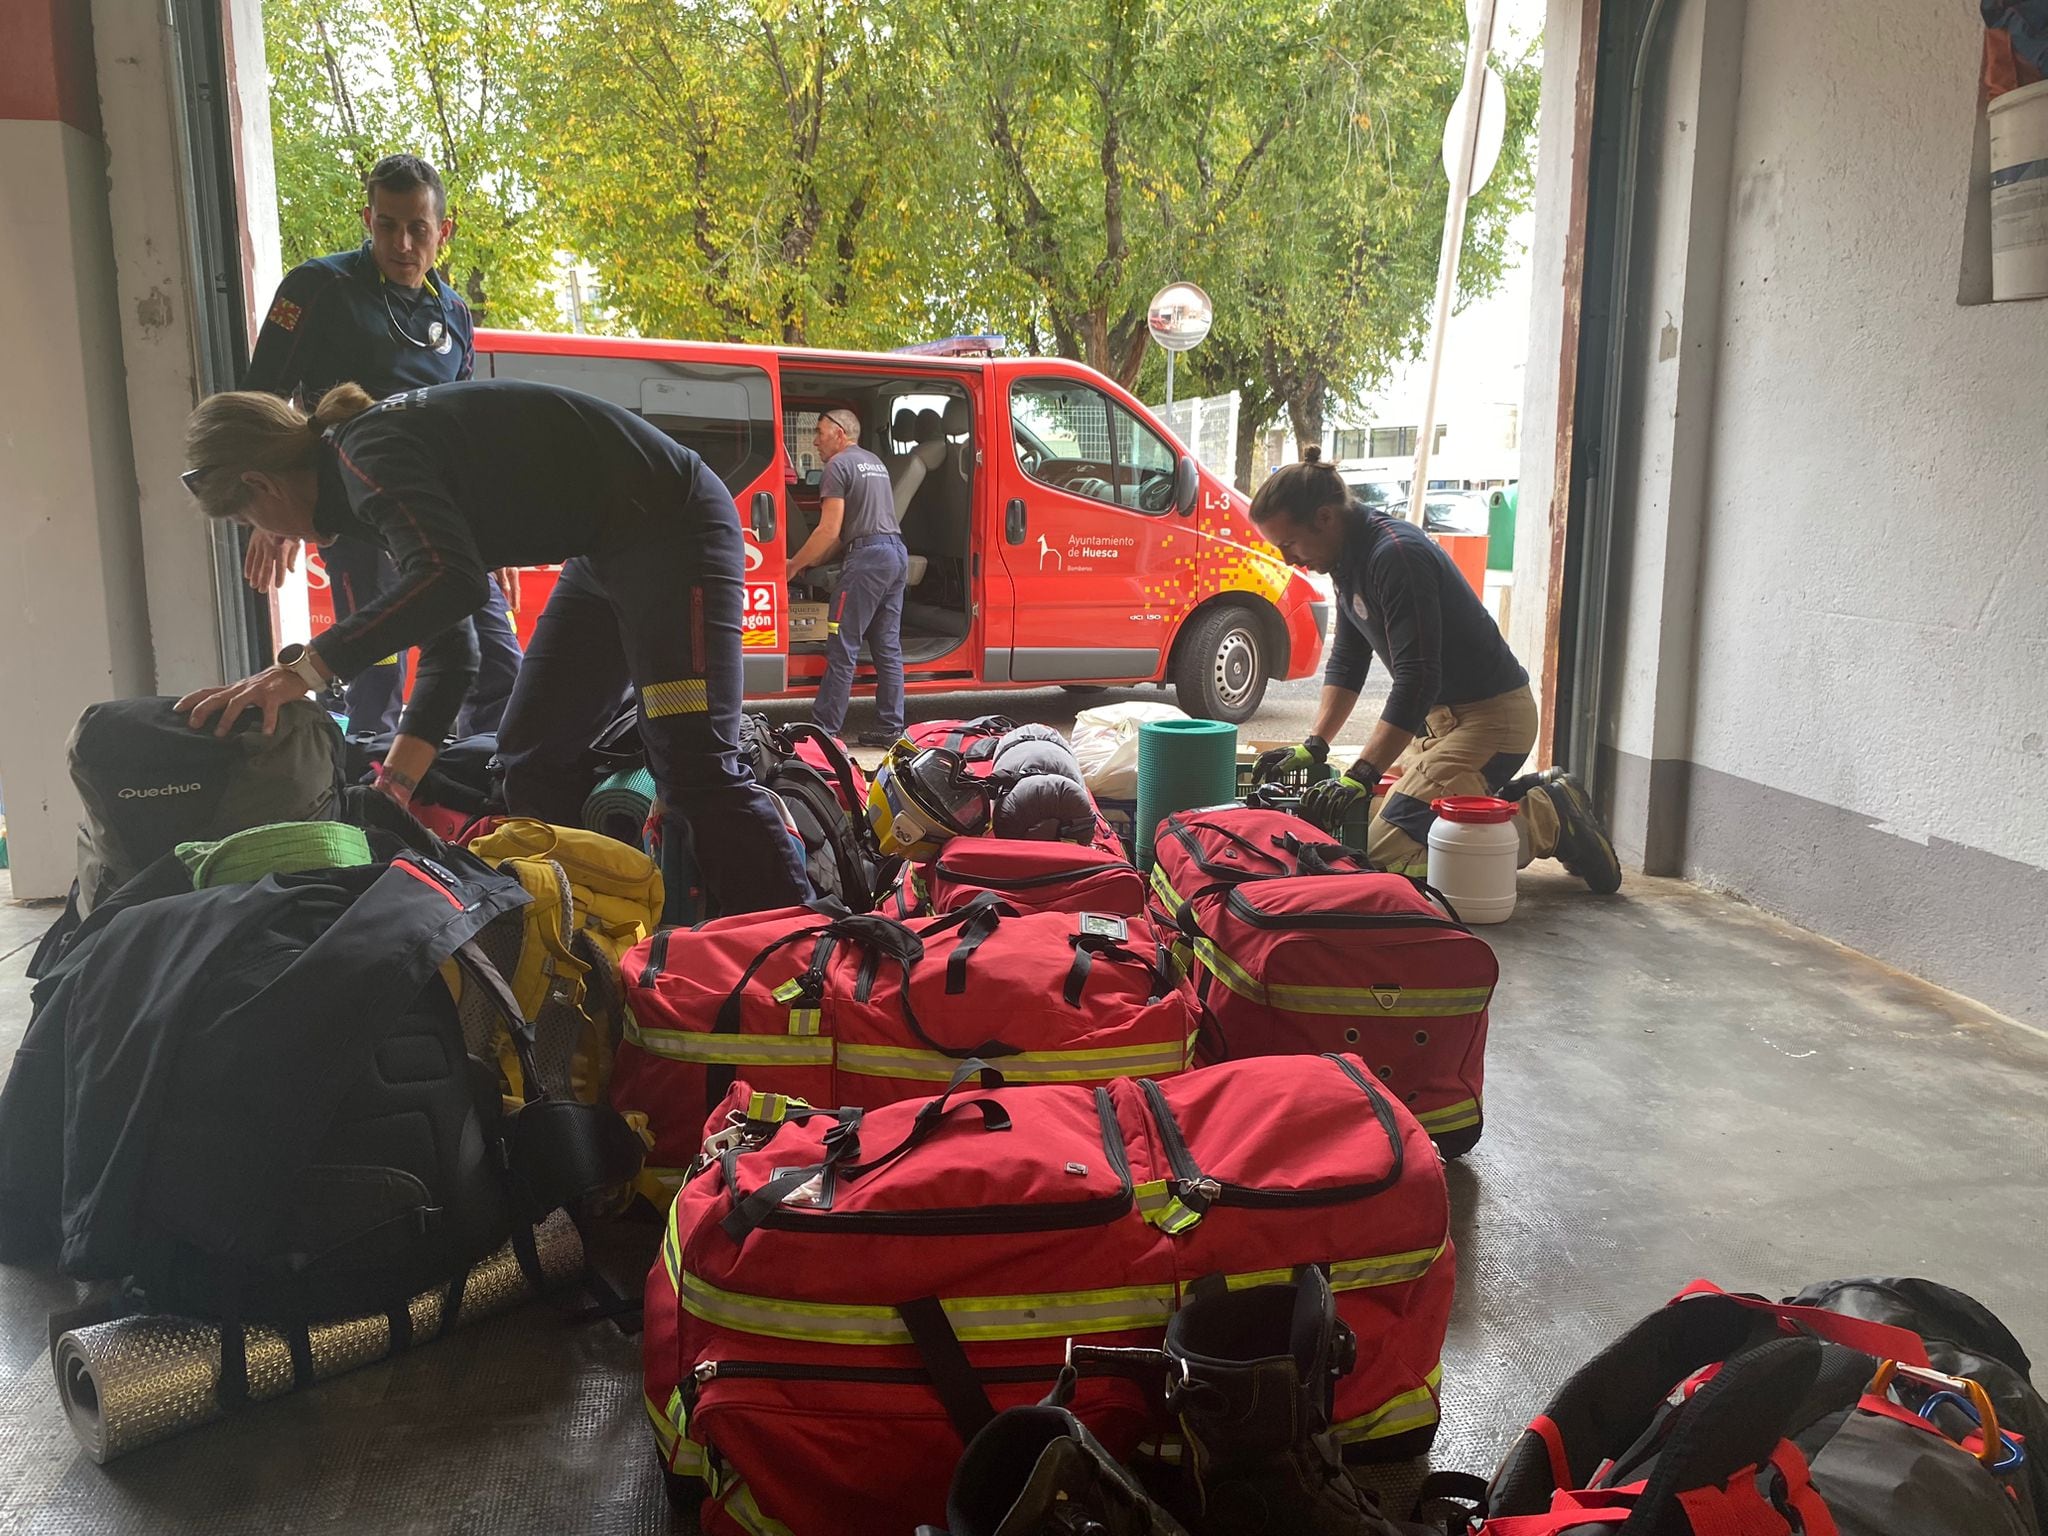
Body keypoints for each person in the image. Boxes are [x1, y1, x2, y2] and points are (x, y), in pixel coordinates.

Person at [174, 379, 812, 918]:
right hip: (605, 548)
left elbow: (447, 582)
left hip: (671, 527)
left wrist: (304, 670)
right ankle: (594, 926)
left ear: (261, 485)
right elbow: (454, 651)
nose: (263, 534)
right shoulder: (364, 478)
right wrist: (393, 786)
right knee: (531, 759)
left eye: (247, 521)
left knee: (696, 772)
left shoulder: (368, 457)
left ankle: (811, 951)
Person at [1248, 448, 1621, 892]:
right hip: (1439, 725)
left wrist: (1363, 771)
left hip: (1491, 720)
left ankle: (1551, 816)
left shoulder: (1395, 556)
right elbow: (1348, 662)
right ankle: (1517, 800)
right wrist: (1315, 745)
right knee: (1364, 819)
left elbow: (1417, 677)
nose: (1289, 559)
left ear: (1325, 518)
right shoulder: (1346, 559)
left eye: (1288, 544)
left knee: (1387, 852)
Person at [241, 152, 522, 738]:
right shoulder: (318, 286)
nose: (402, 242)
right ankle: (373, 797)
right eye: (386, 225)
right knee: (376, 663)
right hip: (351, 504)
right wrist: (270, 508)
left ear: (442, 232)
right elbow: (260, 397)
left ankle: (480, 783)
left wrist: (499, 538)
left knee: (498, 659)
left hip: (441, 510)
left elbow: (467, 435)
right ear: (368, 219)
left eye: (417, 228)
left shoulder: (455, 314)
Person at [789, 407, 907, 747]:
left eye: (820, 432)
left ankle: (823, 733)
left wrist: (794, 565)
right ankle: (891, 730)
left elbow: (828, 530)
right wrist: (814, 561)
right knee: (887, 647)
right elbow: (842, 535)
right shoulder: (874, 462)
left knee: (842, 645)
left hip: (868, 560)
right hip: (894, 553)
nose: (815, 440)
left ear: (840, 433)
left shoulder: (838, 466)